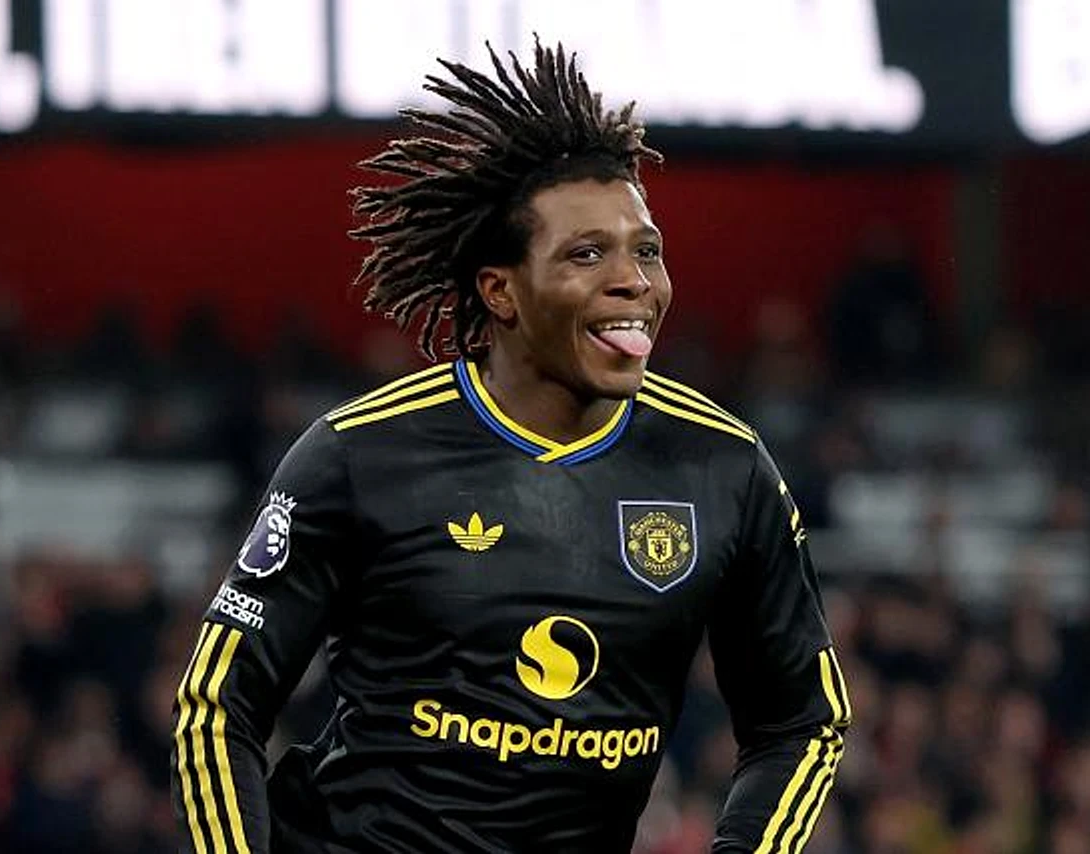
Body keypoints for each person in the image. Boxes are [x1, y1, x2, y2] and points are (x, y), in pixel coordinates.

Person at [170, 40, 851, 854]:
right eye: (587, 254)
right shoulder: (359, 455)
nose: (635, 281)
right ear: (500, 291)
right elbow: (218, 707)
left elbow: (800, 722)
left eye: (646, 249)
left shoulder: (724, 468)